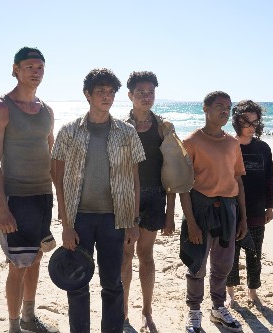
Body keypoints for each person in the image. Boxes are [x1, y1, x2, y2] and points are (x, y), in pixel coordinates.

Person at [52, 68, 145, 333]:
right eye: (101, 92)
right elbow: (57, 179)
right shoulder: (69, 131)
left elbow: (135, 179)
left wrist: (133, 221)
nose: (107, 97)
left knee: (112, 283)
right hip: (79, 218)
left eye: (110, 92)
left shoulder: (126, 132)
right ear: (88, 95)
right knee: (77, 281)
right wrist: (66, 225)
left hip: (114, 219)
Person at [0, 47, 58, 333]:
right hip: (17, 197)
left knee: (36, 257)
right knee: (17, 265)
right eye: (29, 66)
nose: (35, 72)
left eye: (40, 67)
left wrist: (61, 200)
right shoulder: (1, 109)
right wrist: (3, 208)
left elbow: (52, 155)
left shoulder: (47, 110)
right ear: (15, 69)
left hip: (43, 196)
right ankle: (14, 326)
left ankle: (29, 317)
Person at [180, 91, 247, 333]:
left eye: (228, 108)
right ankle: (194, 310)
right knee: (196, 264)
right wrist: (192, 223)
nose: (224, 112)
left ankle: (218, 307)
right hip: (200, 207)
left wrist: (243, 219)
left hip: (228, 208)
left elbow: (238, 181)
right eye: (219, 106)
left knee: (224, 264)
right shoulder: (191, 142)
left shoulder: (232, 143)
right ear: (205, 108)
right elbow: (183, 186)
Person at [121, 71, 176, 333]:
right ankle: (122, 312)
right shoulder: (120, 127)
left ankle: (146, 310)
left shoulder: (163, 127)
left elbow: (174, 172)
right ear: (130, 95)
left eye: (150, 92)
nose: (146, 96)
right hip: (124, 197)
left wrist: (171, 213)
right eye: (140, 92)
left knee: (146, 255)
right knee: (124, 255)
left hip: (155, 196)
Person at [225, 100, 273, 308]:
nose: (251, 126)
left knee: (255, 254)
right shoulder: (228, 145)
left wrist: (270, 206)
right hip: (231, 212)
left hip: (256, 211)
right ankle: (230, 293)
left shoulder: (263, 148)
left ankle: (253, 292)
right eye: (247, 121)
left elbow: (269, 178)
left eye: (255, 121)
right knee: (231, 255)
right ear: (237, 120)